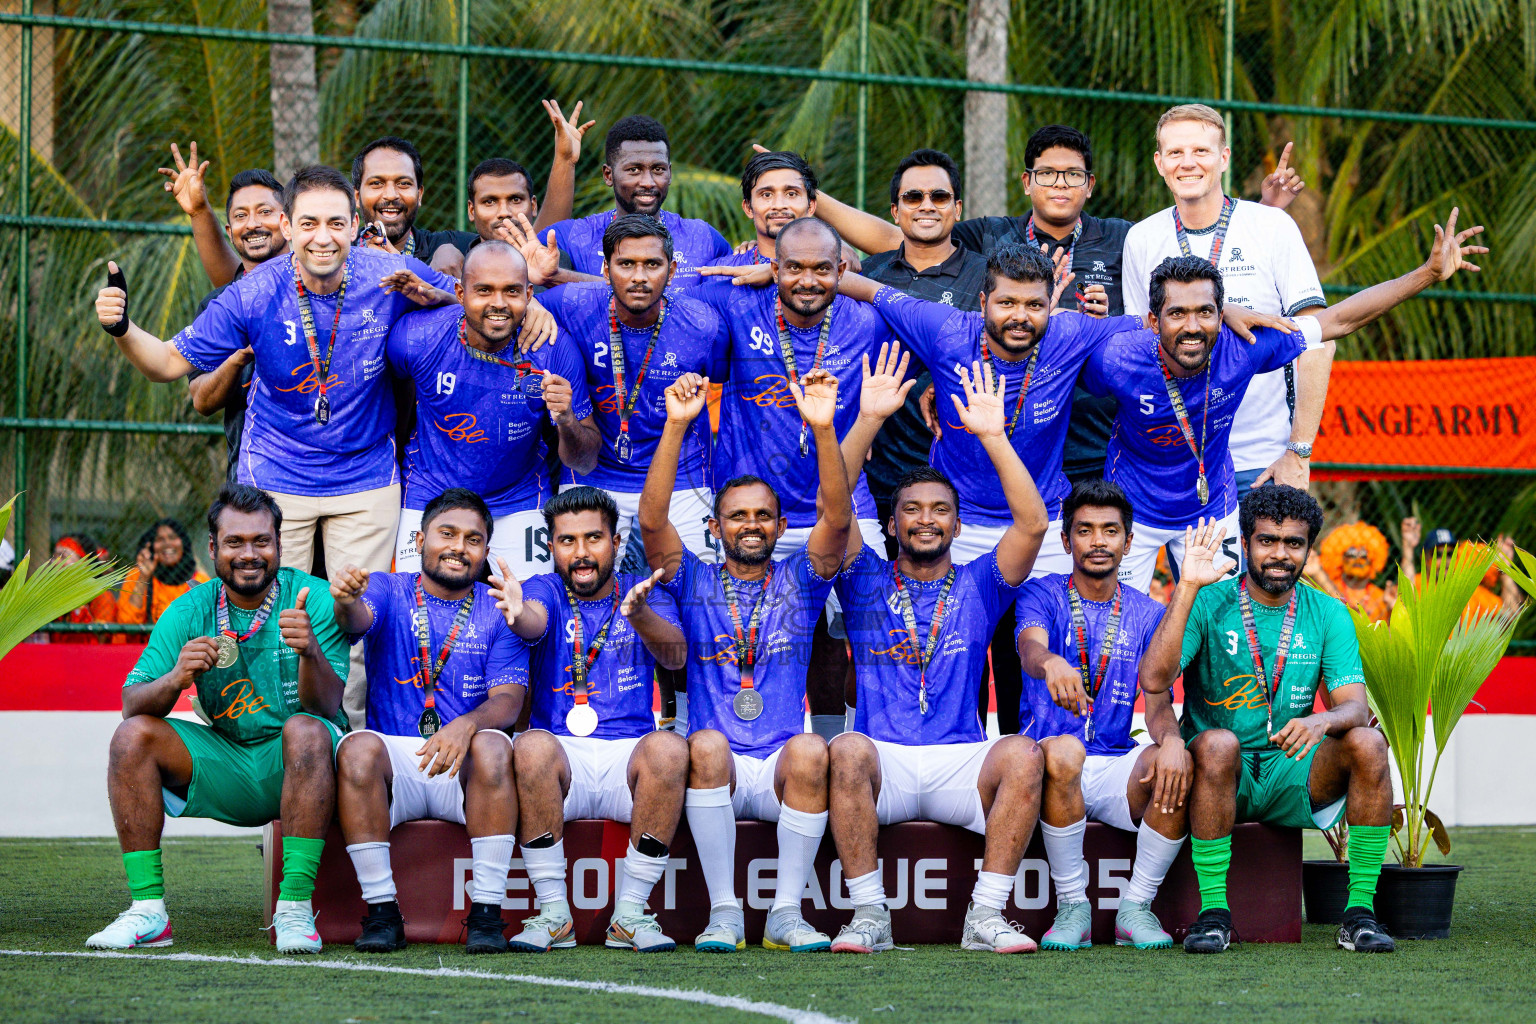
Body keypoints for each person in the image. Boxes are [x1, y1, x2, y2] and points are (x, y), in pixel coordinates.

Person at [95, 164, 464, 726]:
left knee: (354, 624)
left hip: (364, 481)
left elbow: (477, 309)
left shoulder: (390, 274)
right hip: (275, 478)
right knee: (272, 620)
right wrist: (122, 329)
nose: (324, 236)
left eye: (337, 223)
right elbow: (167, 363)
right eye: (310, 222)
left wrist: (457, 298)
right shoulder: (254, 292)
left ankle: (347, 750)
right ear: (288, 227)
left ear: (355, 223)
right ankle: (279, 752)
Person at [1084, 209, 1486, 593]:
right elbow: (1054, 357)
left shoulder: (1243, 348)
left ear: (1222, 315)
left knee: (1223, 632)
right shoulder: (1116, 357)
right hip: (1133, 507)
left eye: (1206, 312)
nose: (1193, 327)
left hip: (1211, 509)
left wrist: (1427, 273)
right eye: (1178, 314)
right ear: (1154, 321)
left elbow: (1339, 321)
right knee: (1117, 628)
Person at [825, 348, 1050, 955]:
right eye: (912, 512)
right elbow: (834, 505)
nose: (926, 521)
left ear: (956, 524)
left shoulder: (980, 583)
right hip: (883, 762)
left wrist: (995, 438)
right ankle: (870, 916)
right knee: (842, 749)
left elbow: (1031, 526)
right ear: (892, 525)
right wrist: (867, 421)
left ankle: (985, 916)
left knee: (1024, 755)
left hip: (958, 760)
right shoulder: (863, 575)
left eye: (940, 512)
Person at [86, 484, 350, 953]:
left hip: (297, 762)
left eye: (261, 541)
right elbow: (132, 703)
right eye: (235, 542)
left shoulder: (316, 599)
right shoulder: (189, 608)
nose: (249, 554)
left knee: (305, 729)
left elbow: (328, 708)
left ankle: (293, 909)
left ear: (279, 543)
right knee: (131, 737)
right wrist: (175, 678)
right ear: (213, 548)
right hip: (226, 759)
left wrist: (309, 650)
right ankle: (149, 912)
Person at [645, 369, 851, 953]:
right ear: (715, 528)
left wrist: (824, 428)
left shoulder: (801, 580)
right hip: (719, 767)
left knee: (815, 747)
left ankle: (786, 914)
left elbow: (836, 521)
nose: (752, 525)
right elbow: (652, 523)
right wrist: (676, 427)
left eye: (763, 516)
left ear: (782, 526)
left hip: (784, 766)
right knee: (703, 741)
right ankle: (725, 913)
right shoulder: (694, 580)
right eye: (738, 516)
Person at [1139, 487, 1397, 954]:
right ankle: (1213, 914)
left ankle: (1359, 912)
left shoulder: (1328, 612)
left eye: (1293, 543)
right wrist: (1188, 588)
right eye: (1267, 541)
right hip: (1221, 773)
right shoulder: (1209, 600)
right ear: (1247, 541)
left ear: (1308, 548)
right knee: (1218, 743)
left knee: (1368, 743)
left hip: (1292, 768)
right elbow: (1154, 679)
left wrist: (1324, 722)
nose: (1280, 554)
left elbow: (1356, 708)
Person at [694, 217, 892, 740]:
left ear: (842, 270)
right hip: (754, 515)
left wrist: (931, 391)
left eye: (822, 269)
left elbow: (940, 337)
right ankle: (711, 732)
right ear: (773, 268)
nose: (807, 280)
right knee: (727, 628)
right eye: (793, 268)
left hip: (842, 506)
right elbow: (656, 291)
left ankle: (846, 741)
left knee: (863, 629)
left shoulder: (869, 322)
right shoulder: (738, 306)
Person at [328, 489, 527, 955]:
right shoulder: (388, 586)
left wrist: (466, 725)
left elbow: (509, 701)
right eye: (447, 533)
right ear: (420, 539)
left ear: (485, 552)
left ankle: (486, 915)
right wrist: (346, 601)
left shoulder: (499, 606)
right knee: (356, 749)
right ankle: (382, 913)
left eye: (473, 539)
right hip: (397, 760)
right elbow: (357, 619)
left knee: (496, 745)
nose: (459, 546)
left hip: (464, 767)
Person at [493, 487, 692, 952]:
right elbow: (535, 621)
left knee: (669, 748)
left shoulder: (646, 589)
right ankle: (553, 915)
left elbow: (677, 657)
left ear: (616, 543)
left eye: (593, 539)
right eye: (567, 541)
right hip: (562, 760)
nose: (581, 554)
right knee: (530, 744)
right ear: (552, 546)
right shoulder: (543, 588)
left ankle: (630, 916)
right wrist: (518, 613)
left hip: (630, 760)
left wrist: (640, 616)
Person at [1015, 480, 1188, 950]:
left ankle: (1136, 907)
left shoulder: (1148, 613)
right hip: (1046, 762)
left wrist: (1171, 740)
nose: (1097, 541)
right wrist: (1050, 662)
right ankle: (1074, 908)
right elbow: (1030, 647)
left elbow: (1157, 705)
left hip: (1114, 763)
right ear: (1066, 539)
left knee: (1175, 759)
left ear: (1128, 543)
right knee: (1067, 751)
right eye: (1085, 530)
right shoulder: (1042, 594)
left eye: (1109, 531)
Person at [1122, 105, 1325, 494]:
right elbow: (1143, 347)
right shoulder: (1142, 239)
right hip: (1178, 461)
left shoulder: (1272, 226)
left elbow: (1318, 339)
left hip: (1262, 461)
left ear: (1224, 158)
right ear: (1159, 162)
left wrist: (1298, 452)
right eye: (1176, 153)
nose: (1188, 163)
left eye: (1201, 151)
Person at [387, 241, 600, 577]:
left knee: (533, 609)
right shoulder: (416, 337)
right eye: (484, 290)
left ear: (530, 295)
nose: (498, 303)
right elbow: (393, 396)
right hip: (430, 492)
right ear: (459, 292)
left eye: (511, 291)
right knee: (414, 603)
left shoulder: (554, 352)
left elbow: (585, 461)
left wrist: (567, 420)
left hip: (518, 497)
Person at [537, 215, 729, 562]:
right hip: (592, 475)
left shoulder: (704, 325)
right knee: (581, 589)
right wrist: (532, 301)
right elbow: (507, 307)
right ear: (606, 269)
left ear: (671, 272)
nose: (639, 277)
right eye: (626, 264)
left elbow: (729, 388)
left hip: (683, 480)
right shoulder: (569, 304)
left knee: (700, 592)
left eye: (652, 265)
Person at [173, 167, 291, 482]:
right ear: (229, 230)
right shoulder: (219, 305)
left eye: (264, 212)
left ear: (287, 221)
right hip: (249, 479)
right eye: (241, 216)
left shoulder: (323, 289)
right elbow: (202, 400)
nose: (252, 224)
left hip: (331, 479)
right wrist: (238, 358)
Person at [545, 115, 732, 287]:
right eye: (634, 170)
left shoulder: (704, 239)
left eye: (658, 169)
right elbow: (530, 259)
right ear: (608, 175)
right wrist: (564, 160)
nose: (648, 183)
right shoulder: (575, 237)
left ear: (670, 173)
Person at [1400, 520, 1525, 621]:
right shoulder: (1417, 583)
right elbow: (1405, 601)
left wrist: (1504, 567)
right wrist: (1408, 547)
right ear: (1425, 558)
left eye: (1450, 554)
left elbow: (1511, 614)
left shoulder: (1468, 590)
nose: (1445, 561)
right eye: (1437, 555)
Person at [118, 519, 211, 626]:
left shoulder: (201, 583)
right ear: (151, 546)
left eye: (173, 538)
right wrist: (143, 578)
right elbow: (127, 623)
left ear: (183, 543)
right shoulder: (136, 576)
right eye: (160, 539)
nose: (167, 544)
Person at [1306, 522, 1392, 623]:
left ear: (1373, 559)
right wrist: (1317, 573)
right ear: (1340, 558)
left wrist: (1390, 610)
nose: (1358, 560)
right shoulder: (1325, 587)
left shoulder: (1382, 597)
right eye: (1351, 554)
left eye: (1364, 555)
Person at [50, 534, 120, 643]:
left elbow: (101, 641)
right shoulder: (49, 594)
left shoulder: (101, 596)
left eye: (63, 557)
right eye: (54, 556)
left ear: (85, 563)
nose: (56, 562)